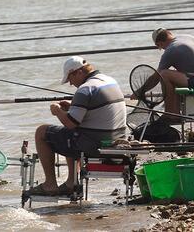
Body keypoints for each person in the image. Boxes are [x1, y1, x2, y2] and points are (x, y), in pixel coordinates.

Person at [25, 56, 127, 196]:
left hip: (95, 145)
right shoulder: (109, 80)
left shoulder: (85, 89)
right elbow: (96, 111)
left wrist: (57, 111)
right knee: (66, 134)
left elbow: (70, 123)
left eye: (70, 79)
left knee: (41, 132)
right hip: (115, 140)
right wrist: (73, 106)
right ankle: (71, 182)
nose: (70, 84)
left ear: (78, 72)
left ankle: (50, 184)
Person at [133, 28, 194, 123]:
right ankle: (175, 112)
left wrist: (139, 92)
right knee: (173, 73)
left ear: (159, 44)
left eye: (160, 47)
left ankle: (171, 115)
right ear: (169, 34)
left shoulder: (171, 50)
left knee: (165, 74)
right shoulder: (188, 37)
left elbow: (156, 77)